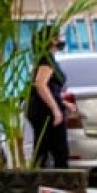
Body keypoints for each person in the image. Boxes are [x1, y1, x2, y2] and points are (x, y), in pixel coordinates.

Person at [27, 30, 68, 169]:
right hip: (44, 110)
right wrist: (55, 109)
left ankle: (42, 177)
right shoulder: (46, 60)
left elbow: (50, 87)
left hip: (43, 107)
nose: (60, 40)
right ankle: (57, 179)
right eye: (57, 37)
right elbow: (41, 84)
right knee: (56, 150)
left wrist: (63, 103)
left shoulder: (46, 59)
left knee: (45, 148)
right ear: (51, 40)